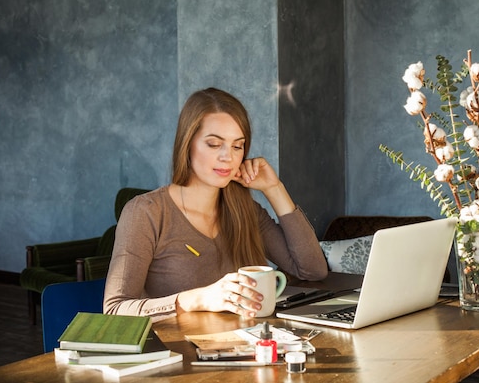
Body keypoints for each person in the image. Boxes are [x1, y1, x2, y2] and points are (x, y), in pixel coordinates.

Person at [104, 87, 328, 321]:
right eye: (213, 144)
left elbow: (312, 270)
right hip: (176, 354)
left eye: (237, 146)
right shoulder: (145, 212)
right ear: (187, 144)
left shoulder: (246, 211)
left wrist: (275, 189)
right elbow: (114, 310)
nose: (227, 157)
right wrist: (198, 299)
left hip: (243, 350)